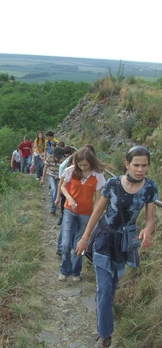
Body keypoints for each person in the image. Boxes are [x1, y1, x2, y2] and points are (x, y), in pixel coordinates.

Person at [76, 146, 158, 348]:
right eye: (136, 165)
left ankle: (102, 319)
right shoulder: (113, 184)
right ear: (127, 164)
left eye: (144, 165)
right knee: (104, 289)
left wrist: (147, 230)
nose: (140, 169)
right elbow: (97, 212)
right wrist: (84, 238)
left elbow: (149, 219)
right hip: (104, 239)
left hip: (125, 242)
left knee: (111, 287)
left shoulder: (150, 188)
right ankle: (105, 335)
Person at [59, 146, 111, 282]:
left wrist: (96, 213)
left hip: (86, 213)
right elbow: (63, 186)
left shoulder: (98, 176)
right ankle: (65, 269)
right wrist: (69, 198)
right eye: (80, 164)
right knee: (65, 243)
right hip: (69, 210)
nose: (82, 167)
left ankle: (76, 272)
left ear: (91, 163)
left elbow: (98, 198)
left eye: (85, 165)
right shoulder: (71, 171)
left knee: (80, 243)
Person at [40, 146, 64, 215]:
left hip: (59, 176)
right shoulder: (49, 158)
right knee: (54, 189)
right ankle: (53, 208)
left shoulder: (63, 160)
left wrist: (59, 176)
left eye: (58, 157)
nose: (57, 159)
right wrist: (43, 178)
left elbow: (64, 170)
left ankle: (54, 205)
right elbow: (45, 167)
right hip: (50, 174)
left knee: (57, 191)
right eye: (56, 157)